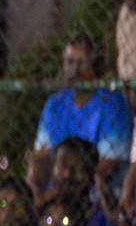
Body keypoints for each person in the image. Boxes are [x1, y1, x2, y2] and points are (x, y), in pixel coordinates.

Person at [28, 35, 132, 189]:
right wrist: (34, 187)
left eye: (83, 63)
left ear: (96, 66)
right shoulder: (55, 104)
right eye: (70, 62)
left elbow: (110, 164)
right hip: (58, 187)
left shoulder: (111, 103)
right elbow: (40, 158)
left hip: (94, 190)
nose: (75, 70)